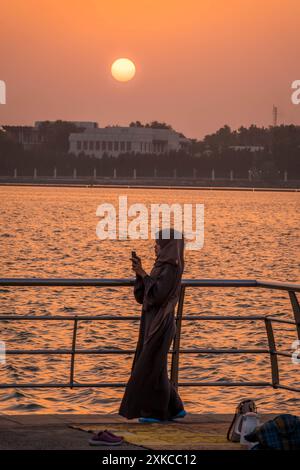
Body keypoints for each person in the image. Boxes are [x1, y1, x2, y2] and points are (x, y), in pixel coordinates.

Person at [118, 228, 186, 422]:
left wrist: (142, 273)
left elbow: (156, 295)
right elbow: (144, 297)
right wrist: (140, 275)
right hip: (152, 322)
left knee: (147, 368)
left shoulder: (171, 267)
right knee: (155, 367)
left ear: (167, 246)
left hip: (160, 324)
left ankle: (152, 412)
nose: (155, 247)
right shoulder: (162, 265)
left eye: (158, 243)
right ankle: (174, 408)